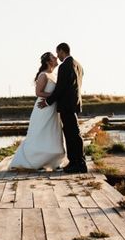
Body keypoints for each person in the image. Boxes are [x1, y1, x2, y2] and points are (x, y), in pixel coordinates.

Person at [10, 52, 66, 170]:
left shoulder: (54, 75)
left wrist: (55, 98)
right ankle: (34, 160)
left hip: (53, 108)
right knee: (40, 132)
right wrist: (54, 96)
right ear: (48, 61)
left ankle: (53, 161)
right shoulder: (43, 75)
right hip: (43, 107)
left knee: (53, 133)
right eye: (53, 57)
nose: (56, 58)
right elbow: (38, 93)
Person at [37, 42, 86, 173]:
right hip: (73, 104)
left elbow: (60, 89)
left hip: (66, 106)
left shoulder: (65, 66)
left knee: (71, 135)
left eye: (58, 53)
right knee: (74, 134)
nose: (57, 56)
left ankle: (78, 164)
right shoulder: (78, 65)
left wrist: (47, 102)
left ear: (62, 51)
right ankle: (77, 162)